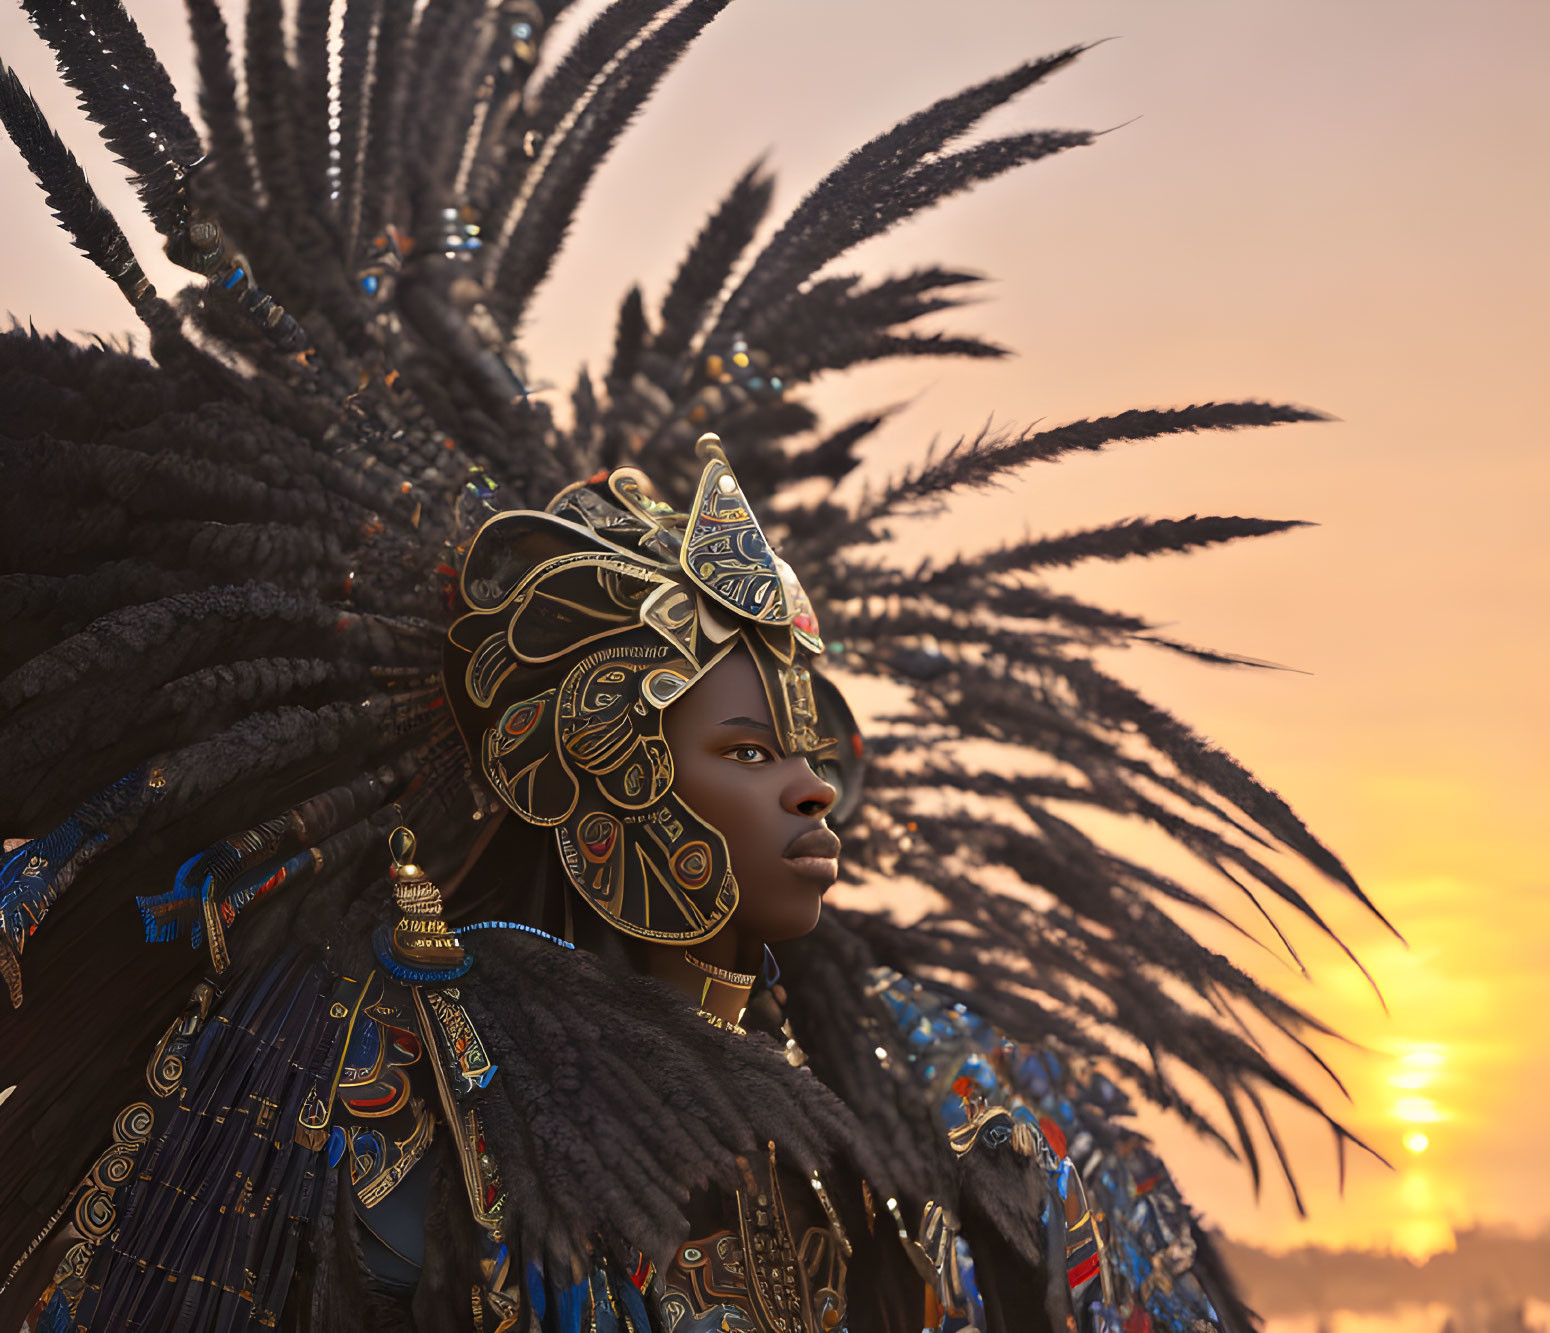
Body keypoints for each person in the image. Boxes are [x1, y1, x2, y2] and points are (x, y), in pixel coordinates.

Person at [0, 2, 1390, 1329]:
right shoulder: (413, 1085)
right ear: (595, 785)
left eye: (807, 750)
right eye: (744, 752)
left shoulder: (947, 1094)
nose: (811, 791)